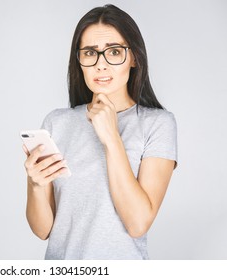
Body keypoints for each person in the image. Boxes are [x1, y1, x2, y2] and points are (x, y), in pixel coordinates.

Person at [22, 4, 177, 259]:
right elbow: (43, 230)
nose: (100, 65)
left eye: (114, 52)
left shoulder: (157, 124)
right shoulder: (56, 123)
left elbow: (138, 224)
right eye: (90, 53)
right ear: (79, 60)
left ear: (134, 57)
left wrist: (112, 138)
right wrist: (35, 184)